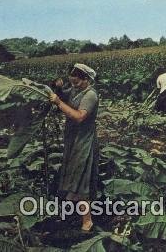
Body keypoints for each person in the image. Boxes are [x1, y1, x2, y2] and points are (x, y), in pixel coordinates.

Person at [49, 63, 99, 232]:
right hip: (72, 139)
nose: (74, 85)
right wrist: (57, 88)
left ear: (86, 80)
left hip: (84, 140)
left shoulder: (90, 95)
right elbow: (63, 96)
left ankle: (87, 221)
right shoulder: (75, 90)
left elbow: (79, 117)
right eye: (72, 82)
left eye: (77, 82)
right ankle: (69, 215)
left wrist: (58, 102)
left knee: (81, 178)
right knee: (72, 175)